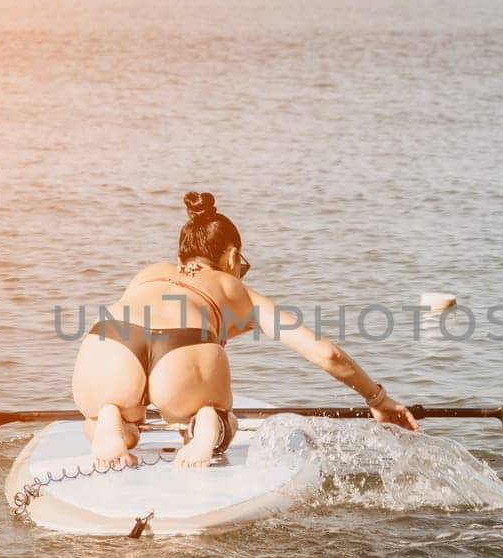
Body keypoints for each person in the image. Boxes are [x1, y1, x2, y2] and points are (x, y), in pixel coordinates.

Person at [71, 191, 419, 468]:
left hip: (110, 343)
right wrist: (378, 398)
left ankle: (111, 419)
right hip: (184, 351)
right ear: (234, 258)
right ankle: (209, 423)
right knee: (217, 415)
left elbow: (156, 325)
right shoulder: (241, 294)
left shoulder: (148, 273)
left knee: (105, 409)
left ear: (181, 258)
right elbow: (326, 354)